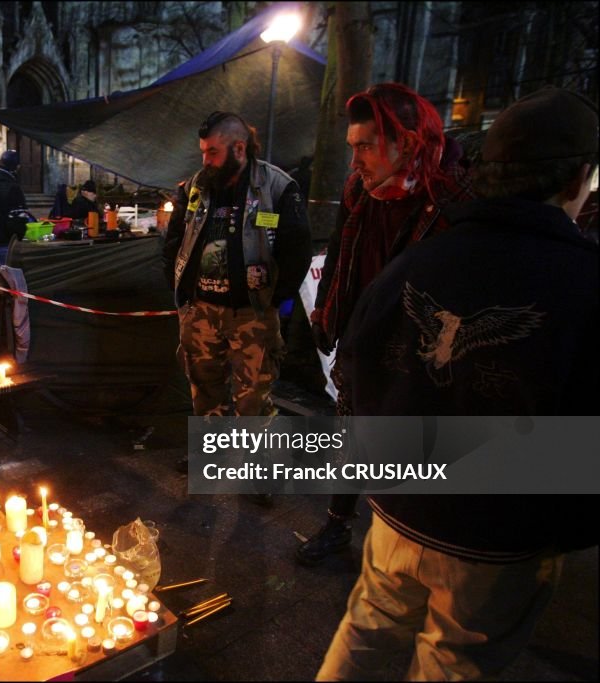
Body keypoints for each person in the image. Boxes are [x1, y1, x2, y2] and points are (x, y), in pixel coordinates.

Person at [316, 86, 599, 681]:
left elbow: (366, 369)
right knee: (453, 658)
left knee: (368, 627)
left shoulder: (422, 255)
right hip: (494, 536)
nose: (358, 159)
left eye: (370, 144)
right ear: (578, 180)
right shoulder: (582, 285)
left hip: (401, 511)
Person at [298, 83, 473, 565]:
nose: (355, 161)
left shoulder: (455, 197)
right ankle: (338, 525)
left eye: (366, 147)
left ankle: (413, 539)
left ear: (410, 143)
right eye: (352, 147)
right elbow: (340, 251)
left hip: (419, 349)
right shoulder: (361, 188)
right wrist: (324, 310)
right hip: (364, 332)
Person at [162, 111, 311, 420]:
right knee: (205, 396)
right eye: (203, 151)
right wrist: (181, 289)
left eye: (213, 152)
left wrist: (273, 299)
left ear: (239, 149)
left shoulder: (278, 188)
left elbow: (297, 249)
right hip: (200, 312)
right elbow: (174, 238)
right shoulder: (195, 187)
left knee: (253, 402)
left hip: (252, 314)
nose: (205, 160)